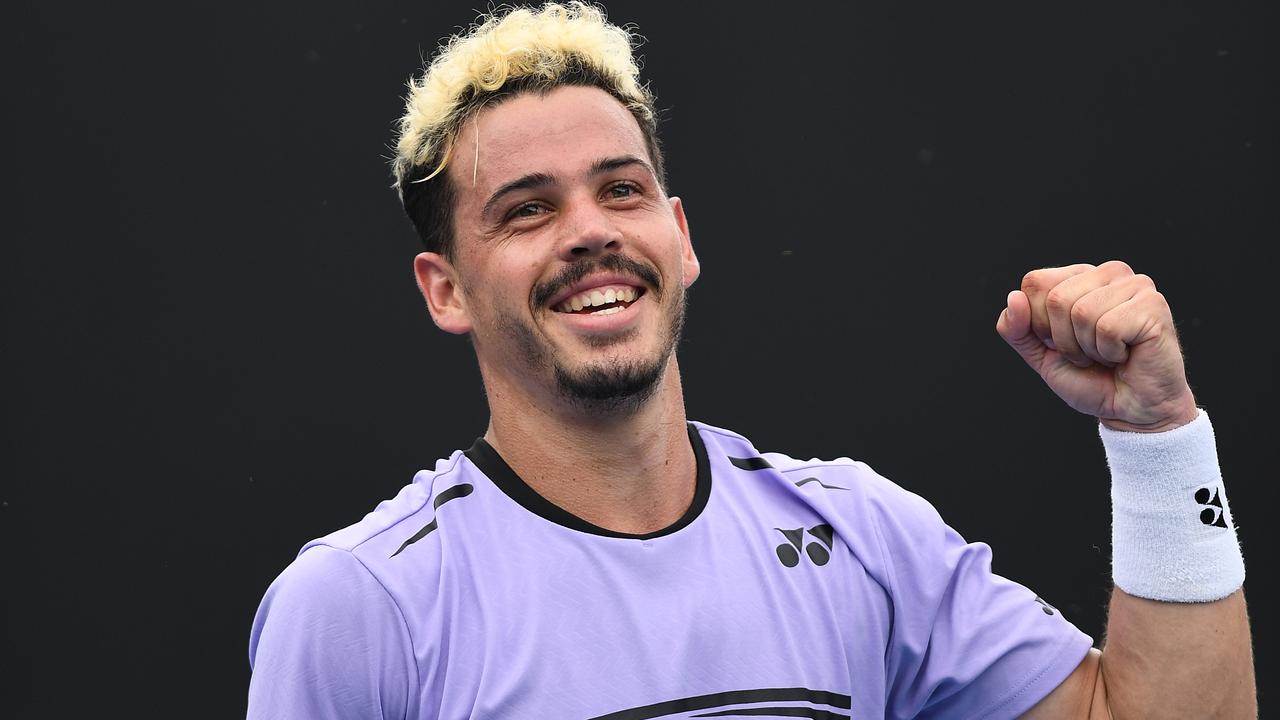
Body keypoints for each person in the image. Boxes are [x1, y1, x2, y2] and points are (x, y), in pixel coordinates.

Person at [246, 3, 1255, 717]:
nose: (589, 233)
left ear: (679, 236)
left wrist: (1157, 437)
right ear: (445, 288)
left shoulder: (862, 537)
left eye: (621, 190)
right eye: (527, 209)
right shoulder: (357, 607)